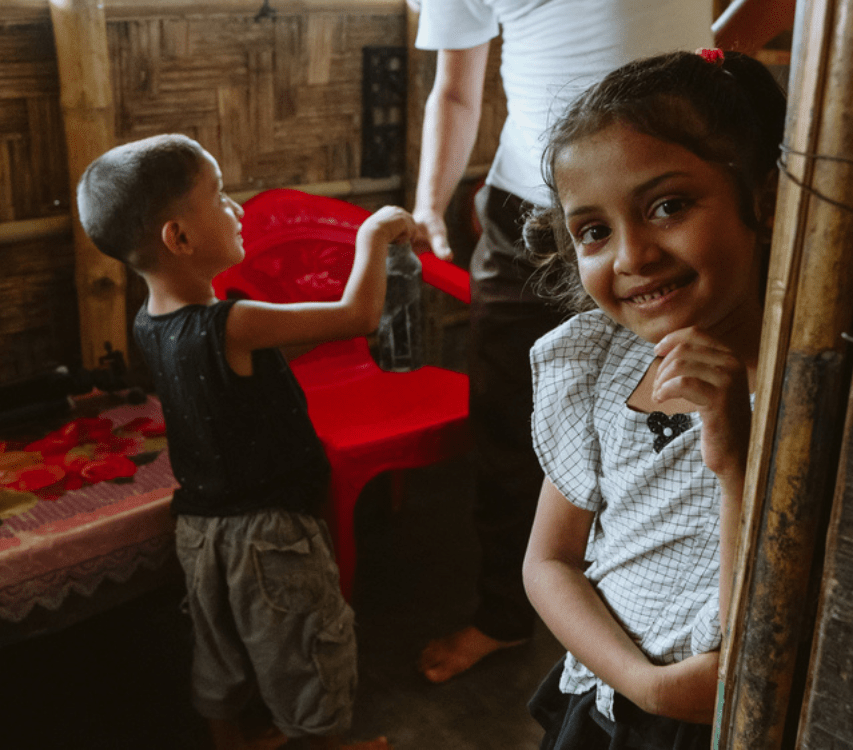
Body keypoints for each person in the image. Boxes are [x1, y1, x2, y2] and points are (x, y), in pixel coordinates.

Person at [410, 0, 715, 685]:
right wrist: (431, 201)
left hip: (675, 198)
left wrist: (701, 68)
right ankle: (505, 613)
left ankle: (660, 620)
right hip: (530, 209)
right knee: (508, 417)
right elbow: (456, 88)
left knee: (685, 409)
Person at [75, 133, 405, 750]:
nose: (238, 210)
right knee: (310, 651)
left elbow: (244, 361)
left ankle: (232, 742)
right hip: (270, 532)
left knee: (219, 650)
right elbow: (358, 315)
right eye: (221, 197)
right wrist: (374, 234)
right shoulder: (234, 323)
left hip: (200, 528)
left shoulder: (152, 323)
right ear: (179, 238)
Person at [520, 49, 787, 748]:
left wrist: (734, 462)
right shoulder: (600, 365)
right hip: (609, 704)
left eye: (667, 206)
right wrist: (643, 683)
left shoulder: (808, 390)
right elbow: (548, 561)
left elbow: (755, 634)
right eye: (594, 231)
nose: (632, 256)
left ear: (763, 199)